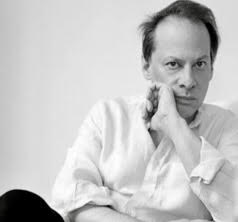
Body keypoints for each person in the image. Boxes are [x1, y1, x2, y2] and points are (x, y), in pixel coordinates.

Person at [1, 0, 238, 222]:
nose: (188, 80)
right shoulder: (108, 116)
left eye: (200, 64)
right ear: (147, 66)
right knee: (14, 205)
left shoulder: (227, 126)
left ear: (211, 69)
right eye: (173, 64)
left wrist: (174, 126)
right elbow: (70, 198)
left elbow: (234, 208)